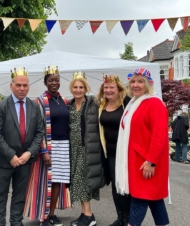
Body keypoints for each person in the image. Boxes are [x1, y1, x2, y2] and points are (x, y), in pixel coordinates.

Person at [0, 67, 44, 226]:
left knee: (20, 195)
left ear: (29, 86)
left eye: (25, 85)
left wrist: (29, 153)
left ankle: (16, 222)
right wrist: (11, 155)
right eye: (18, 85)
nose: (22, 88)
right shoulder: (0, 106)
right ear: (11, 86)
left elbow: (39, 132)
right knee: (0, 195)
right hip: (3, 161)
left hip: (25, 160)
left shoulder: (34, 106)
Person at [115, 68, 169, 226]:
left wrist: (151, 161)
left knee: (139, 198)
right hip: (137, 161)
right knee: (154, 199)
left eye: (140, 82)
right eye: (133, 82)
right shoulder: (133, 104)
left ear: (148, 84)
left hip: (147, 162)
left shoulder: (154, 103)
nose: (136, 85)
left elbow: (159, 136)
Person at [24, 66, 71, 226]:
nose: (54, 83)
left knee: (58, 181)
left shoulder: (64, 100)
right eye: (51, 80)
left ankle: (51, 214)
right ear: (46, 82)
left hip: (64, 146)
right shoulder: (39, 101)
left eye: (57, 80)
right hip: (48, 147)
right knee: (46, 181)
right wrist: (43, 151)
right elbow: (38, 128)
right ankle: (42, 215)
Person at [69, 72, 106, 226]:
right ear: (72, 89)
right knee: (77, 182)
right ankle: (84, 214)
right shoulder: (69, 104)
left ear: (86, 88)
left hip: (87, 149)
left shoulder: (93, 103)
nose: (78, 90)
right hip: (73, 149)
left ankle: (89, 215)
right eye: (75, 87)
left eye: (81, 87)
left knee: (84, 181)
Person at [97, 75, 131, 226]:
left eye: (112, 87)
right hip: (109, 153)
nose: (108, 90)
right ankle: (120, 218)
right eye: (106, 87)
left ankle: (129, 219)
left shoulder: (127, 104)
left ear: (119, 89)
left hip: (125, 153)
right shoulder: (101, 105)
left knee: (124, 186)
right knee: (115, 186)